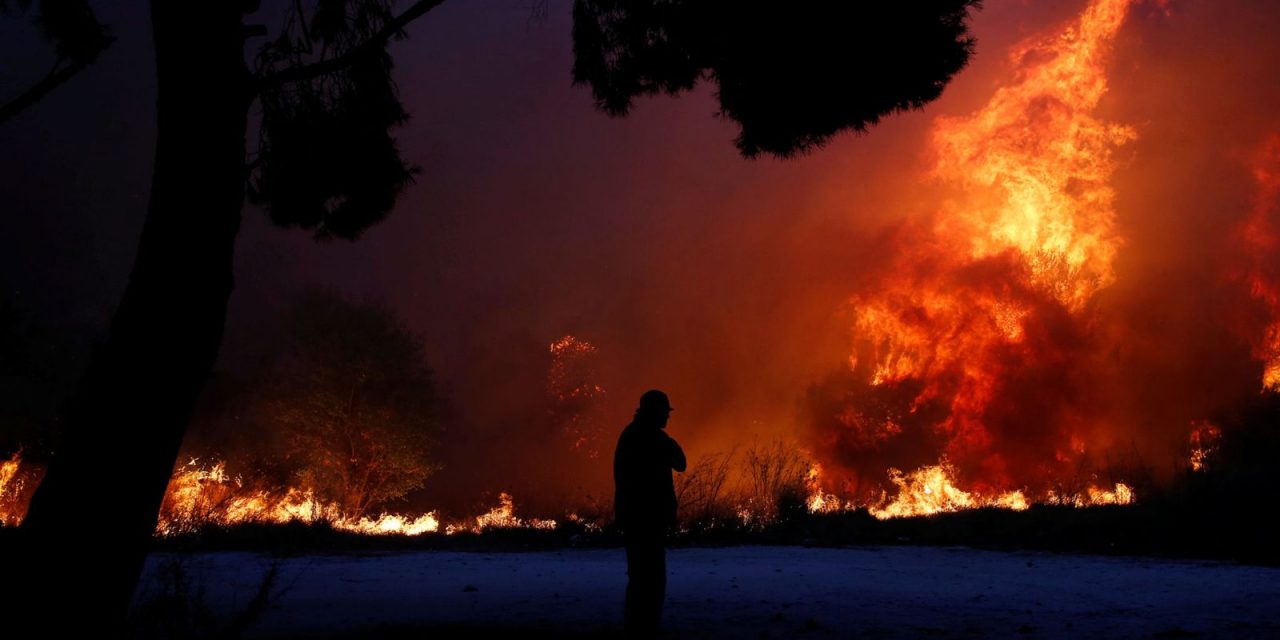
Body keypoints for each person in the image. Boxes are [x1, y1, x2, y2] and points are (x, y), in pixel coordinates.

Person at [613, 389, 686, 634]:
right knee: (652, 578)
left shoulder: (630, 435)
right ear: (655, 412)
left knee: (639, 577)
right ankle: (645, 628)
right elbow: (681, 463)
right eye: (665, 412)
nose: (668, 417)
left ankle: (636, 627)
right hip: (648, 519)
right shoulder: (654, 439)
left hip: (634, 518)